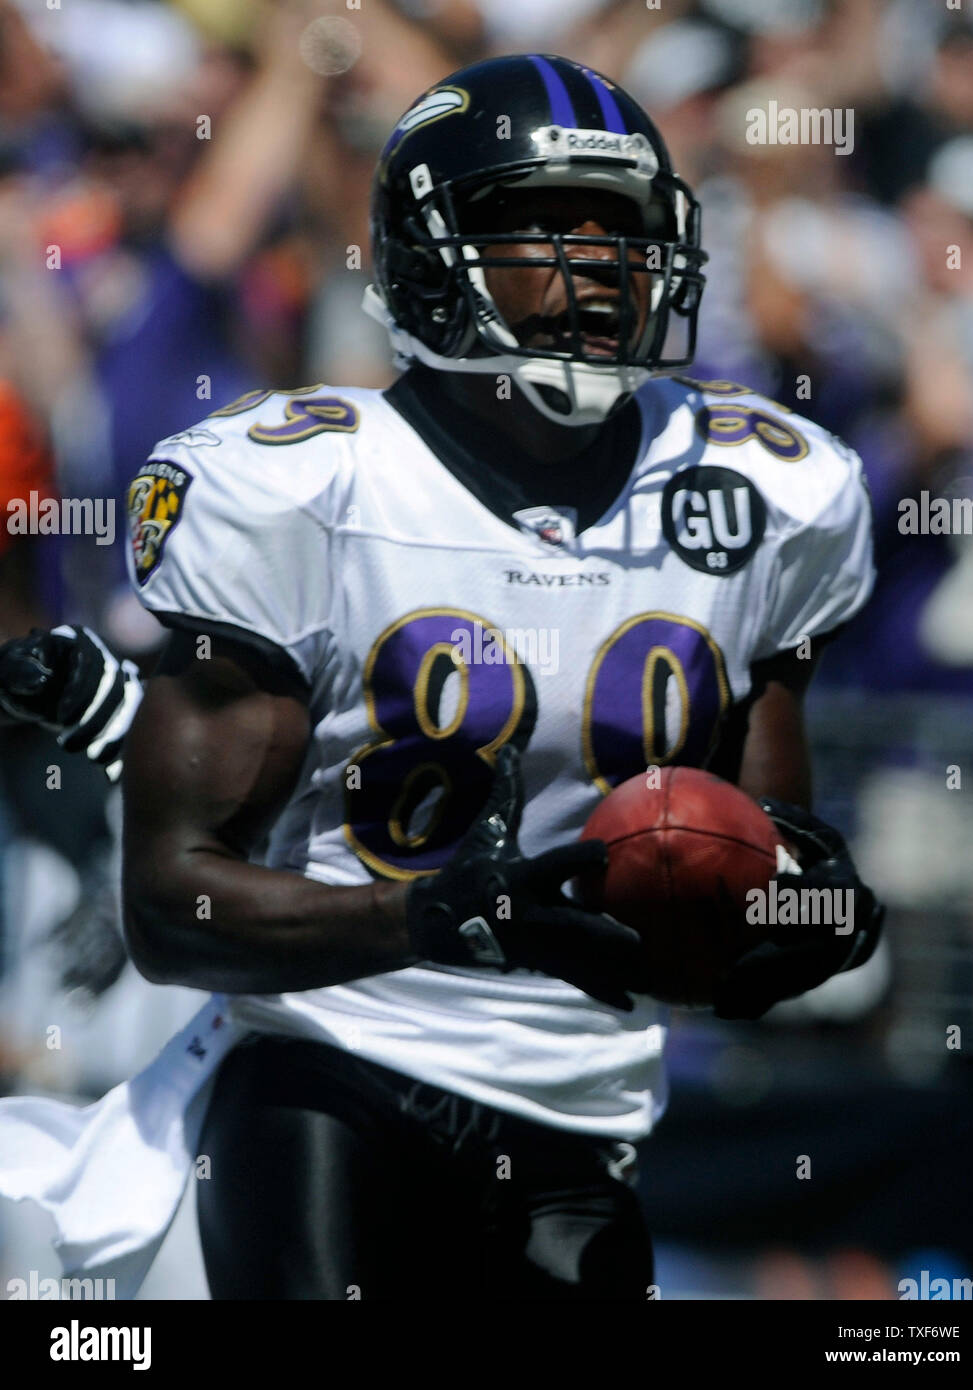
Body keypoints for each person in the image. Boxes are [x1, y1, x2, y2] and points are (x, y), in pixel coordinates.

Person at [1, 55, 883, 1301]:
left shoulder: (762, 489)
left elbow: (749, 872)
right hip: (331, 1071)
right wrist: (433, 918)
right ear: (425, 252)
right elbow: (170, 911)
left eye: (620, 228)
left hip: (585, 1106)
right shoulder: (299, 486)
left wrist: (808, 918)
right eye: (543, 224)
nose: (598, 265)